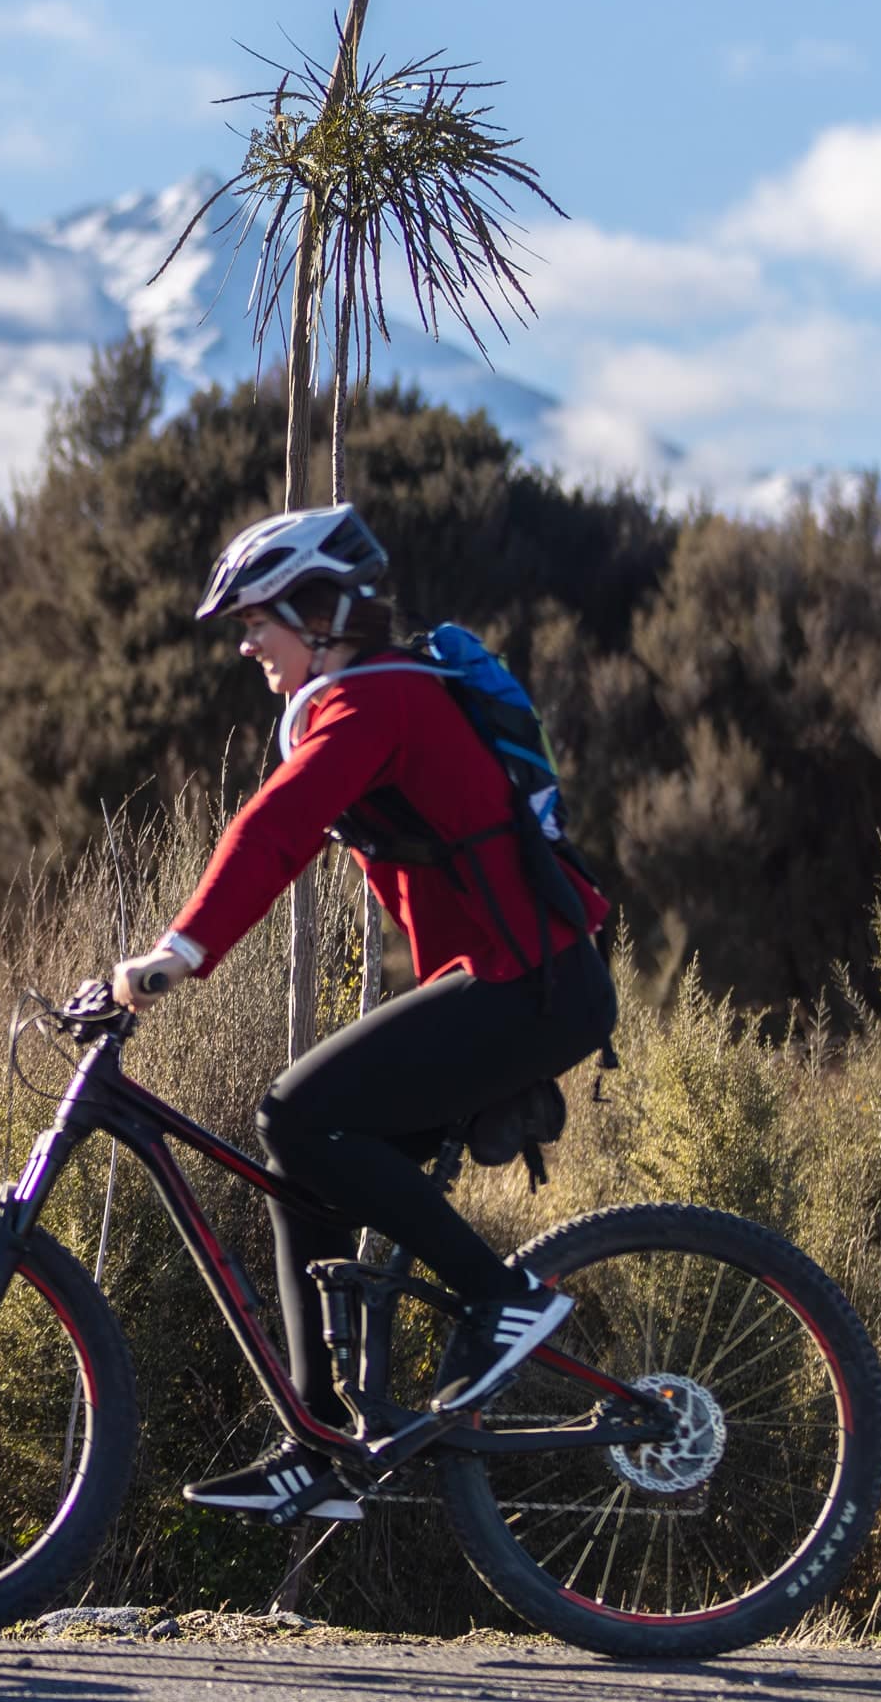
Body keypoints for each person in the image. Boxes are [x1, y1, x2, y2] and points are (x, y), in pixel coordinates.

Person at [108, 502, 617, 1526]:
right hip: (504, 981)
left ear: (319, 608)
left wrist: (178, 952)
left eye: (257, 619)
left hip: (530, 984)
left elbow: (276, 828)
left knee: (294, 1113)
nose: (246, 642)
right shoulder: (366, 696)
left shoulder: (374, 699)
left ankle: (501, 1296)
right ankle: (318, 1446)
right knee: (301, 1157)